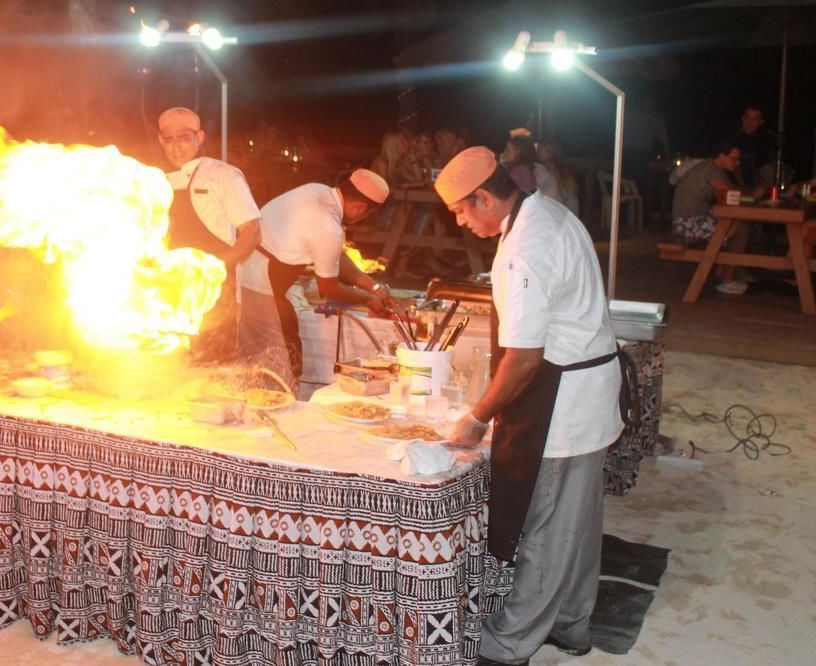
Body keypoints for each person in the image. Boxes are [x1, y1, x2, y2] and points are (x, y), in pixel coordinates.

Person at [435, 146, 625, 666]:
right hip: (588, 386)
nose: (460, 223)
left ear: (484, 197)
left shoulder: (526, 245)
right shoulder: (549, 210)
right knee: (578, 520)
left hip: (562, 401)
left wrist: (476, 417)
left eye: (461, 211)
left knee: (547, 527)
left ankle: (510, 641)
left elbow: (523, 360)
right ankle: (571, 623)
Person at [237, 169, 394, 389]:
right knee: (281, 359)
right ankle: (279, 403)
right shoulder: (328, 226)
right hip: (258, 286)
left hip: (245, 276)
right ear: (361, 208)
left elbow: (333, 253)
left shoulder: (318, 190)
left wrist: (371, 284)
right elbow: (329, 289)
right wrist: (367, 298)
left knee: (258, 357)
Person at [157, 107, 262, 362]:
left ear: (199, 137)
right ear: (161, 141)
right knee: (172, 368)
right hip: (171, 294)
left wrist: (213, 268)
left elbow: (252, 232)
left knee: (213, 369)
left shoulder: (223, 175)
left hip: (216, 294)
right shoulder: (157, 182)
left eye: (183, 138)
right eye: (169, 140)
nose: (176, 148)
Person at [671, 137, 763, 295]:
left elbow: (731, 196)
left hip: (693, 219)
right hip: (687, 224)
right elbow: (733, 195)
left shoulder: (713, 168)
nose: (737, 163)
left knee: (736, 225)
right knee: (742, 228)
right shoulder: (711, 170)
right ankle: (727, 279)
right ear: (722, 156)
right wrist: (755, 194)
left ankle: (729, 270)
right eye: (734, 159)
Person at [732, 106, 775, 190]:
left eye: (754, 119)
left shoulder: (765, 141)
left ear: (761, 122)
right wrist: (743, 188)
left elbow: (770, 166)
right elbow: (734, 167)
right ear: (743, 118)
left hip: (757, 189)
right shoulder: (732, 139)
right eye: (747, 117)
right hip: (735, 188)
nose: (749, 122)